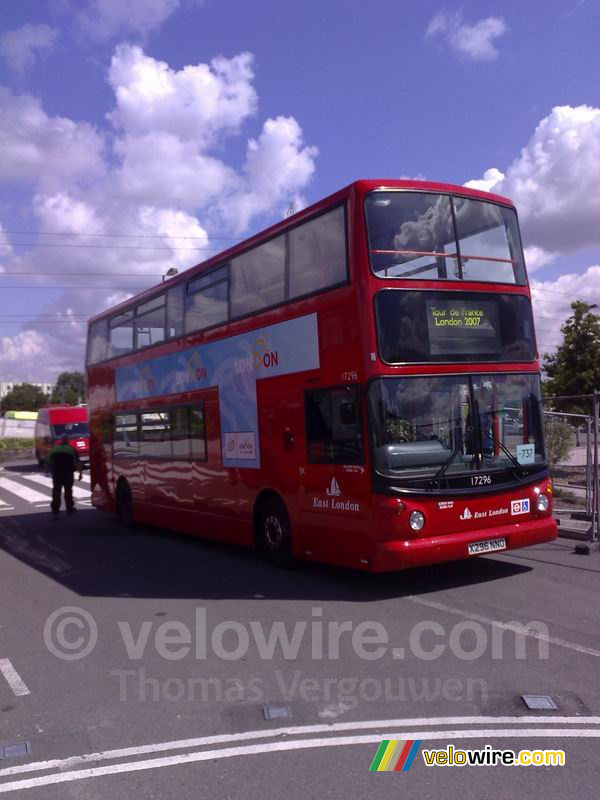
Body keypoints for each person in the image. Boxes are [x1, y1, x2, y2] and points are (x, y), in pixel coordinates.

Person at [45, 433, 83, 519]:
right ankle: (69, 509)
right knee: (68, 491)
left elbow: (48, 461)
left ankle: (55, 511)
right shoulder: (71, 449)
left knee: (56, 492)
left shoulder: (54, 449)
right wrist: (80, 474)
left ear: (61, 440)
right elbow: (77, 463)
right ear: (68, 440)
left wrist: (47, 471)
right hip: (68, 473)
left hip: (56, 473)